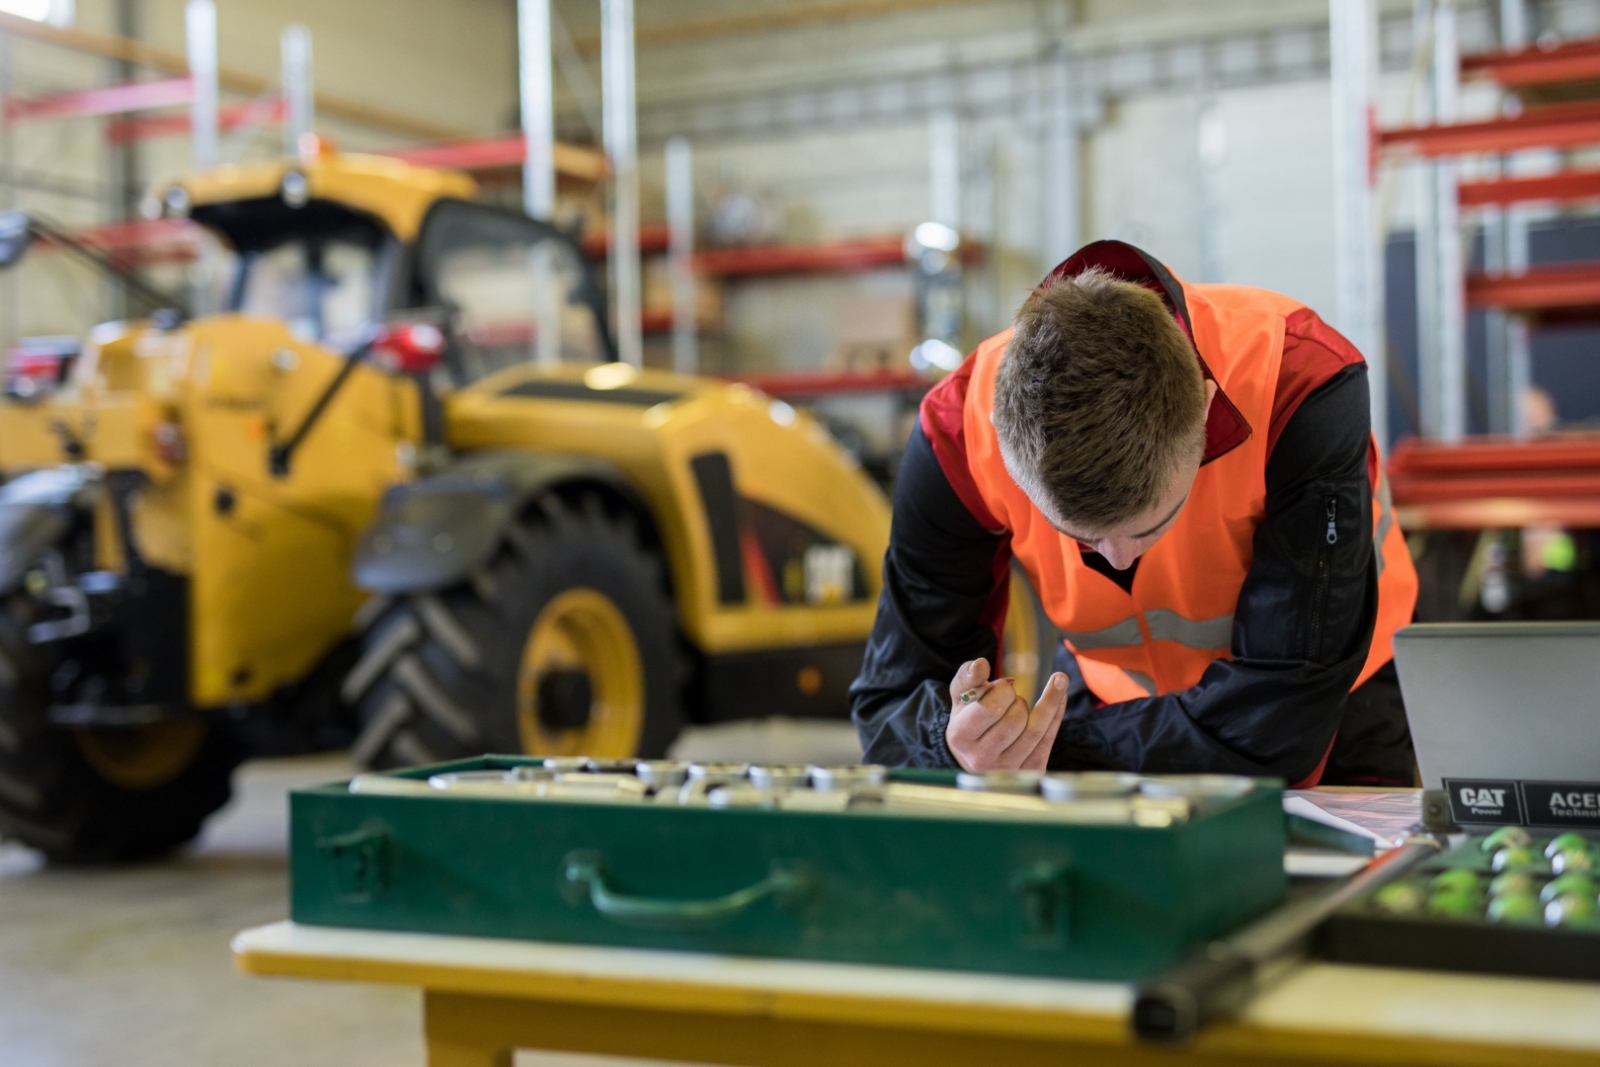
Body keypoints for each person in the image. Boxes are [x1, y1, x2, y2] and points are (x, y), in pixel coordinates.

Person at [849, 241, 1419, 787]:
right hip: (1108, 704)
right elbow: (891, 701)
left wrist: (1041, 750)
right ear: (1003, 444)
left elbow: (1279, 719)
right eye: (1081, 539)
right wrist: (953, 744)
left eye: (1149, 526)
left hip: (1333, 706)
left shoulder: (1297, 381)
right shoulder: (958, 429)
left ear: (1207, 407)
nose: (1120, 561)